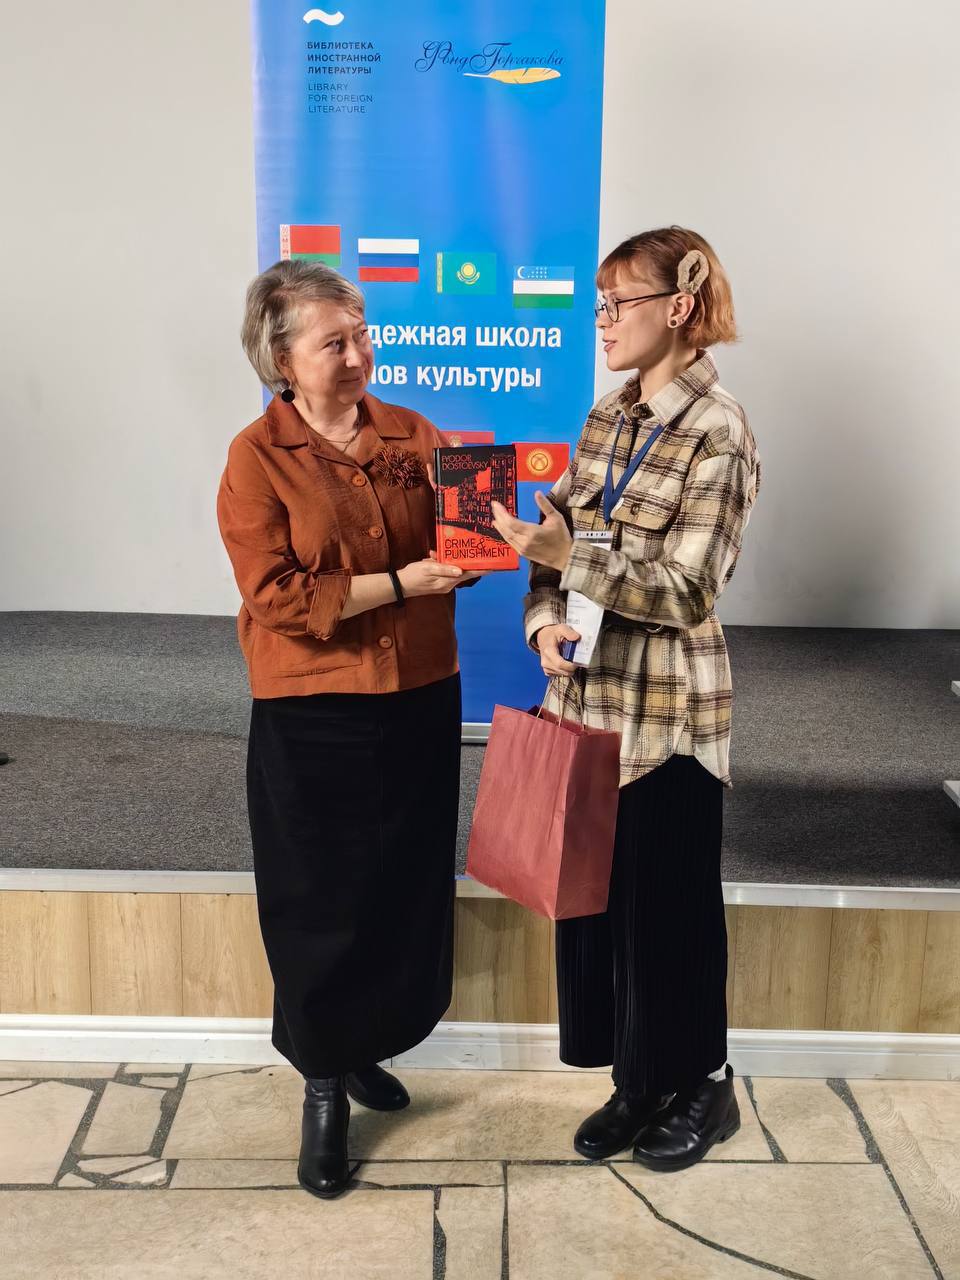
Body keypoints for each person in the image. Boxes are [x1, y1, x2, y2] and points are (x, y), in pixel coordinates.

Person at [492, 226, 761, 1172]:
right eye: (598, 306)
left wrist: (571, 559)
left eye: (619, 304)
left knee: (671, 921)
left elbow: (689, 590)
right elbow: (553, 549)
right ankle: (640, 1083)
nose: (601, 322)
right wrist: (542, 624)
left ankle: (705, 1086)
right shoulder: (606, 418)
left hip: (668, 724)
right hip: (586, 716)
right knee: (602, 920)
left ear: (678, 308)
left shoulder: (720, 431)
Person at [217, 259, 479, 1199]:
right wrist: (404, 583)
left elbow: (469, 534)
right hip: (311, 704)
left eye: (363, 335)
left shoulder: (414, 432)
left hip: (419, 691)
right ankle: (323, 1082)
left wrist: (488, 531)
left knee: (403, 879)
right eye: (336, 342)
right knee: (316, 893)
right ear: (282, 358)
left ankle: (364, 1042)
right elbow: (278, 596)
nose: (360, 354)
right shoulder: (255, 458)